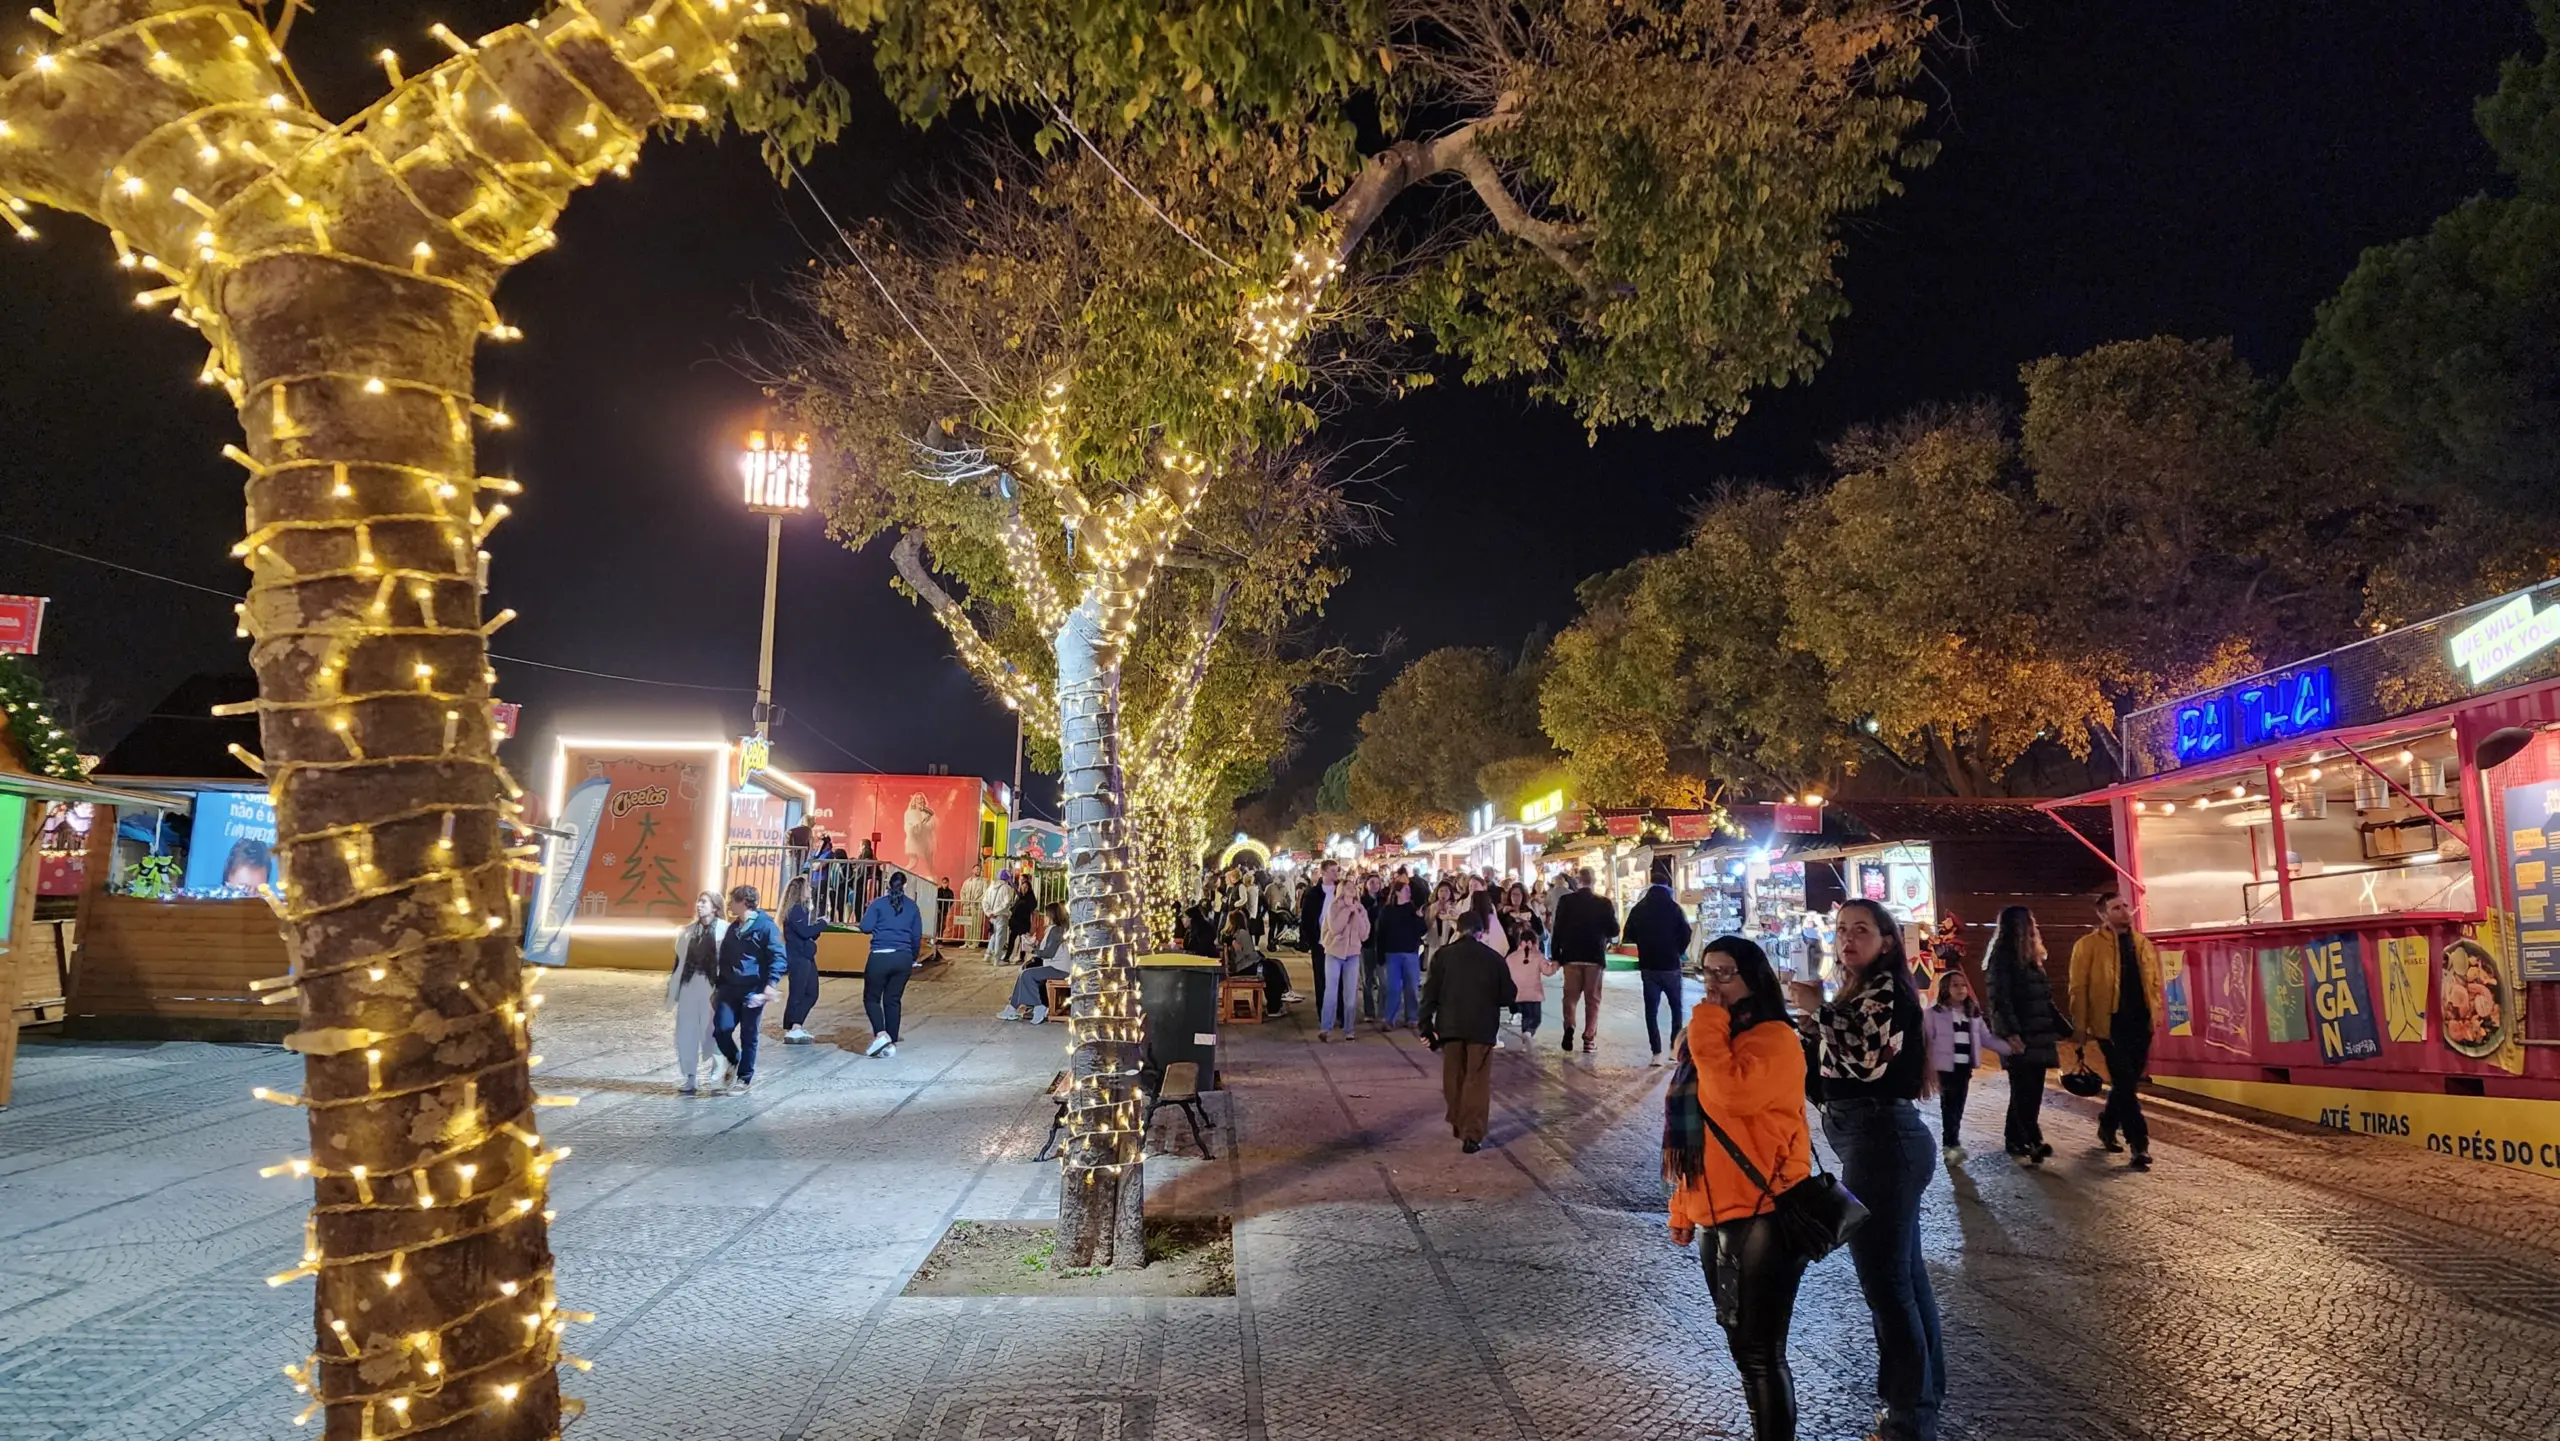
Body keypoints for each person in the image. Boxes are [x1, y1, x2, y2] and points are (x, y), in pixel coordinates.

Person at [1667, 935, 1812, 1441]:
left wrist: (1704, 1024)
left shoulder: (1774, 1040)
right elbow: (1699, 1133)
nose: (1712, 982)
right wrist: (1683, 1208)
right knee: (1741, 1345)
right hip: (1716, 1215)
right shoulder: (1717, 1038)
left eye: (1725, 972)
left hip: (1763, 1215)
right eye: (1707, 971)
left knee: (1760, 1352)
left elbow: (1728, 1096)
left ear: (1754, 977)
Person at [1808, 897, 1943, 1441]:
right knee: (1906, 1283)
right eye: (1842, 930)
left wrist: (1817, 1012)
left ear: (1887, 941)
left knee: (1888, 1289)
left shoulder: (1883, 992)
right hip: (1879, 1142)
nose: (1848, 939)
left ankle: (1909, 1419)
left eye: (1861, 930)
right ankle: (1922, 1403)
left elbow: (1865, 1059)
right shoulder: (1861, 992)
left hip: (1883, 1145)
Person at [2067, 889, 2164, 1171]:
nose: (2124, 911)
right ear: (2103, 915)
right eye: (2116, 908)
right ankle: (2139, 1144)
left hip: (2140, 1024)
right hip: (2109, 1025)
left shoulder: (2143, 944)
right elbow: (2078, 988)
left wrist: (2155, 1014)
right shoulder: (2088, 946)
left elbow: (2155, 983)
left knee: (2125, 1084)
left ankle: (2107, 1126)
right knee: (2125, 1082)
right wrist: (2080, 1026)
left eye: (2125, 906)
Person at [1419, 908, 1516, 1152]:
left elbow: (1429, 993)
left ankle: (1458, 1120)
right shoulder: (1493, 959)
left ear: (1457, 930)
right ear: (1482, 932)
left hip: (1450, 1025)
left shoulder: (1443, 956)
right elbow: (1508, 995)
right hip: (1482, 1027)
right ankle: (1472, 1133)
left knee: (1453, 1076)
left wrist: (1425, 1026)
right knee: (1477, 1079)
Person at [1982, 905, 2069, 1165]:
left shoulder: (2031, 959)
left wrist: (2065, 1029)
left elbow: (2044, 1000)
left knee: (2032, 1090)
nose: (2034, 927)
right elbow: (1999, 999)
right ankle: (2032, 1140)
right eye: (2030, 922)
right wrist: (2009, 1033)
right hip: (2020, 1037)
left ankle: (2016, 1139)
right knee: (2024, 1091)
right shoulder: (2003, 957)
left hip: (2038, 1035)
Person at [1921, 971, 2010, 1165]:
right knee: (1949, 1107)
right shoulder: (1933, 1014)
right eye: (1955, 985)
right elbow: (1925, 1041)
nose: (1961, 989)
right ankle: (1950, 1144)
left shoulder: (1973, 1014)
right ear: (1945, 989)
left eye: (1963, 985)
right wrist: (1926, 1068)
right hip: (1945, 1069)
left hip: (1963, 1068)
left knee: (1958, 1106)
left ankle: (1953, 1143)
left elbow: (1986, 1038)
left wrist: (2010, 1049)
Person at [712, 885, 786, 1093]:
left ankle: (744, 1077)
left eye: (732, 900)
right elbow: (724, 959)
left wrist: (770, 984)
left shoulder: (765, 927)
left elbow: (778, 956)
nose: (728, 904)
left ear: (743, 902)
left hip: (752, 989)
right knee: (721, 1029)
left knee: (749, 1034)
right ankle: (734, 1059)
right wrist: (718, 988)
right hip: (729, 988)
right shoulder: (734, 928)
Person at [1622, 856, 1695, 1067]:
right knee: (1676, 1009)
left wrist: (1645, 944)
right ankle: (1674, 1050)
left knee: (1651, 1011)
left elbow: (1628, 934)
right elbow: (1686, 933)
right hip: (1671, 964)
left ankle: (1656, 1052)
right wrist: (1678, 950)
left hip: (1649, 965)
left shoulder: (1639, 908)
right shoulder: (1674, 908)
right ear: (1667, 887)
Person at [1549, 867, 1619, 1054]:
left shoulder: (1566, 901)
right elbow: (1614, 930)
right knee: (1592, 999)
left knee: (1570, 997)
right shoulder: (1604, 903)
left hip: (1571, 957)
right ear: (1593, 881)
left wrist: (1556, 955)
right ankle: (1589, 1039)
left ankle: (1569, 1026)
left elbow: (1558, 929)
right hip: (1594, 956)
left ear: (1577, 882)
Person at [856, 871, 925, 1057]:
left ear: (888, 884)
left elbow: (865, 927)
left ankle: (881, 1034)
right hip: (903, 958)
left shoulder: (877, 904)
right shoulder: (912, 907)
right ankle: (891, 1042)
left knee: (871, 998)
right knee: (893, 999)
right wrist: (913, 957)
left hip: (880, 956)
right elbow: (916, 936)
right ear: (904, 885)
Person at [667, 890, 725, 1095]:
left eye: (704, 902)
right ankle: (690, 1076)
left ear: (716, 907)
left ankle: (718, 1067)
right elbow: (678, 962)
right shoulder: (687, 931)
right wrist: (673, 989)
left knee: (712, 1030)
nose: (699, 905)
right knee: (686, 1032)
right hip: (689, 985)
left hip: (713, 987)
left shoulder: (725, 931)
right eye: (698, 901)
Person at [1316, 865, 1371, 1041]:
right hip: (1334, 953)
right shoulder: (1334, 907)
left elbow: (1364, 933)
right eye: (1347, 887)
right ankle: (1326, 1028)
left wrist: (1357, 913)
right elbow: (1335, 928)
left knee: (1350, 993)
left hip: (1353, 954)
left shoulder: (1361, 909)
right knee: (1331, 991)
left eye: (1353, 887)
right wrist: (1347, 910)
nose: (1351, 889)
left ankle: (1349, 1028)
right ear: (1341, 890)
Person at [1003, 901, 1072, 1022]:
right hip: (1055, 966)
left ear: (1051, 916)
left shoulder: (1055, 930)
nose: (1043, 917)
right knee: (1023, 974)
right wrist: (1033, 944)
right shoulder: (1054, 930)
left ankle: (1038, 1005)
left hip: (1059, 969)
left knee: (1027, 974)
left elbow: (1048, 953)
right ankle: (1012, 1007)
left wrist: (1032, 950)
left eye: (1045, 915)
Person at [1375, 876, 1429, 1030]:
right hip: (1392, 954)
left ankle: (1412, 1017)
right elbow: (1381, 934)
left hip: (1410, 953)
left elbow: (1422, 931)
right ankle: (1389, 1018)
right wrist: (1380, 955)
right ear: (1397, 893)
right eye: (1406, 890)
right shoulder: (1388, 911)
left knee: (1411, 987)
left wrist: (1419, 918)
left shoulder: (1412, 910)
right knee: (1394, 988)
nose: (1409, 893)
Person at [1497, 882, 1548, 1045]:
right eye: (1513, 895)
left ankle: (1526, 1019)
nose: (1515, 898)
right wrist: (1502, 913)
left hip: (1527, 957)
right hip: (1511, 954)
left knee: (1527, 986)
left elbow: (1540, 930)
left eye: (1518, 895)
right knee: (1511, 984)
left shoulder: (1529, 913)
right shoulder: (1504, 914)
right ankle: (1514, 1010)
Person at [779, 875, 825, 1045]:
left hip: (806, 955)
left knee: (812, 992)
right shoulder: (795, 910)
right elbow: (804, 932)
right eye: (808, 887)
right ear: (800, 890)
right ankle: (793, 1027)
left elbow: (809, 933)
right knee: (798, 992)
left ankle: (795, 1024)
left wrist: (816, 926)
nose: (810, 890)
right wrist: (822, 924)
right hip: (798, 956)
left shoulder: (803, 910)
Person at [981, 868, 1018, 965]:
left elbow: (984, 901)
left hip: (992, 916)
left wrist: (989, 912)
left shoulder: (990, 887)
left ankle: (988, 955)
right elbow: (1007, 902)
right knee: (1000, 937)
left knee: (994, 934)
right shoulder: (1006, 888)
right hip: (1001, 915)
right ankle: (997, 960)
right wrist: (997, 912)